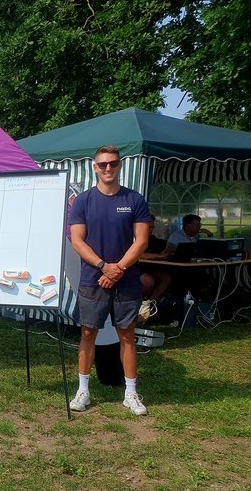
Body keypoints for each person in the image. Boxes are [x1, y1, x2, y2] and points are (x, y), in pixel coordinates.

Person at [68, 145, 152, 415]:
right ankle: (83, 391)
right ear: (95, 167)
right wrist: (104, 267)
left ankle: (131, 393)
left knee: (127, 335)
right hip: (93, 279)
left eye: (113, 164)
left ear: (119, 166)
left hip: (126, 281)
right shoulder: (83, 201)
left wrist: (118, 269)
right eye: (102, 164)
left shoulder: (135, 200)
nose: (108, 168)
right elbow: (77, 241)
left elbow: (141, 241)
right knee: (88, 333)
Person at [138, 215, 173, 323]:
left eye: (152, 227)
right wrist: (157, 256)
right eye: (149, 227)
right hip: (134, 270)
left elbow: (162, 251)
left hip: (150, 268)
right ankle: (138, 301)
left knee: (166, 278)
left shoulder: (154, 240)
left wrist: (166, 252)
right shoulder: (133, 238)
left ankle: (148, 302)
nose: (151, 230)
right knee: (148, 281)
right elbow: (139, 254)